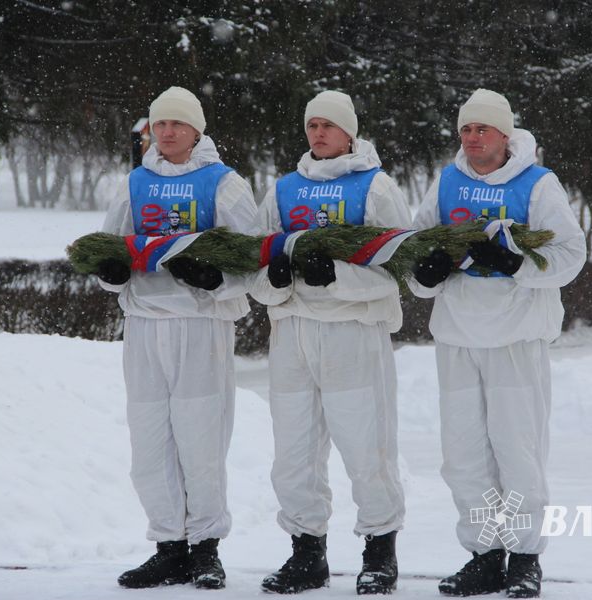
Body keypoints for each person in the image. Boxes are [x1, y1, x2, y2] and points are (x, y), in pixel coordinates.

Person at [409, 89, 586, 598]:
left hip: (515, 336)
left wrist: (520, 266)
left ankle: (525, 556)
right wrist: (427, 273)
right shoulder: (447, 181)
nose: (471, 138)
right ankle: (485, 555)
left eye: (481, 129)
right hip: (457, 335)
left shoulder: (537, 183)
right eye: (465, 129)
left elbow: (571, 253)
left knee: (518, 449)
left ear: (504, 135)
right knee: (463, 454)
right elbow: (418, 244)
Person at [94, 86, 257, 590]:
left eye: (177, 124)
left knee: (200, 435)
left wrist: (215, 279)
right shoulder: (136, 182)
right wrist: (113, 272)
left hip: (198, 322)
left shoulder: (222, 183)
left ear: (196, 131)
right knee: (149, 439)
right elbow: (108, 248)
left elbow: (251, 254)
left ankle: (206, 548)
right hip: (144, 322)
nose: (166, 132)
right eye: (159, 124)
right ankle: (169, 547)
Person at [249, 90, 410, 595]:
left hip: (352, 334)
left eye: (329, 125)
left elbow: (396, 270)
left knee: (367, 446)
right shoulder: (282, 191)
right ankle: (306, 552)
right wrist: (275, 278)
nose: (318, 133)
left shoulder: (376, 187)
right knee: (293, 450)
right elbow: (251, 268)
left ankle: (379, 551)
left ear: (350, 133)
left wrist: (335, 277)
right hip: (293, 333)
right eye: (312, 125)